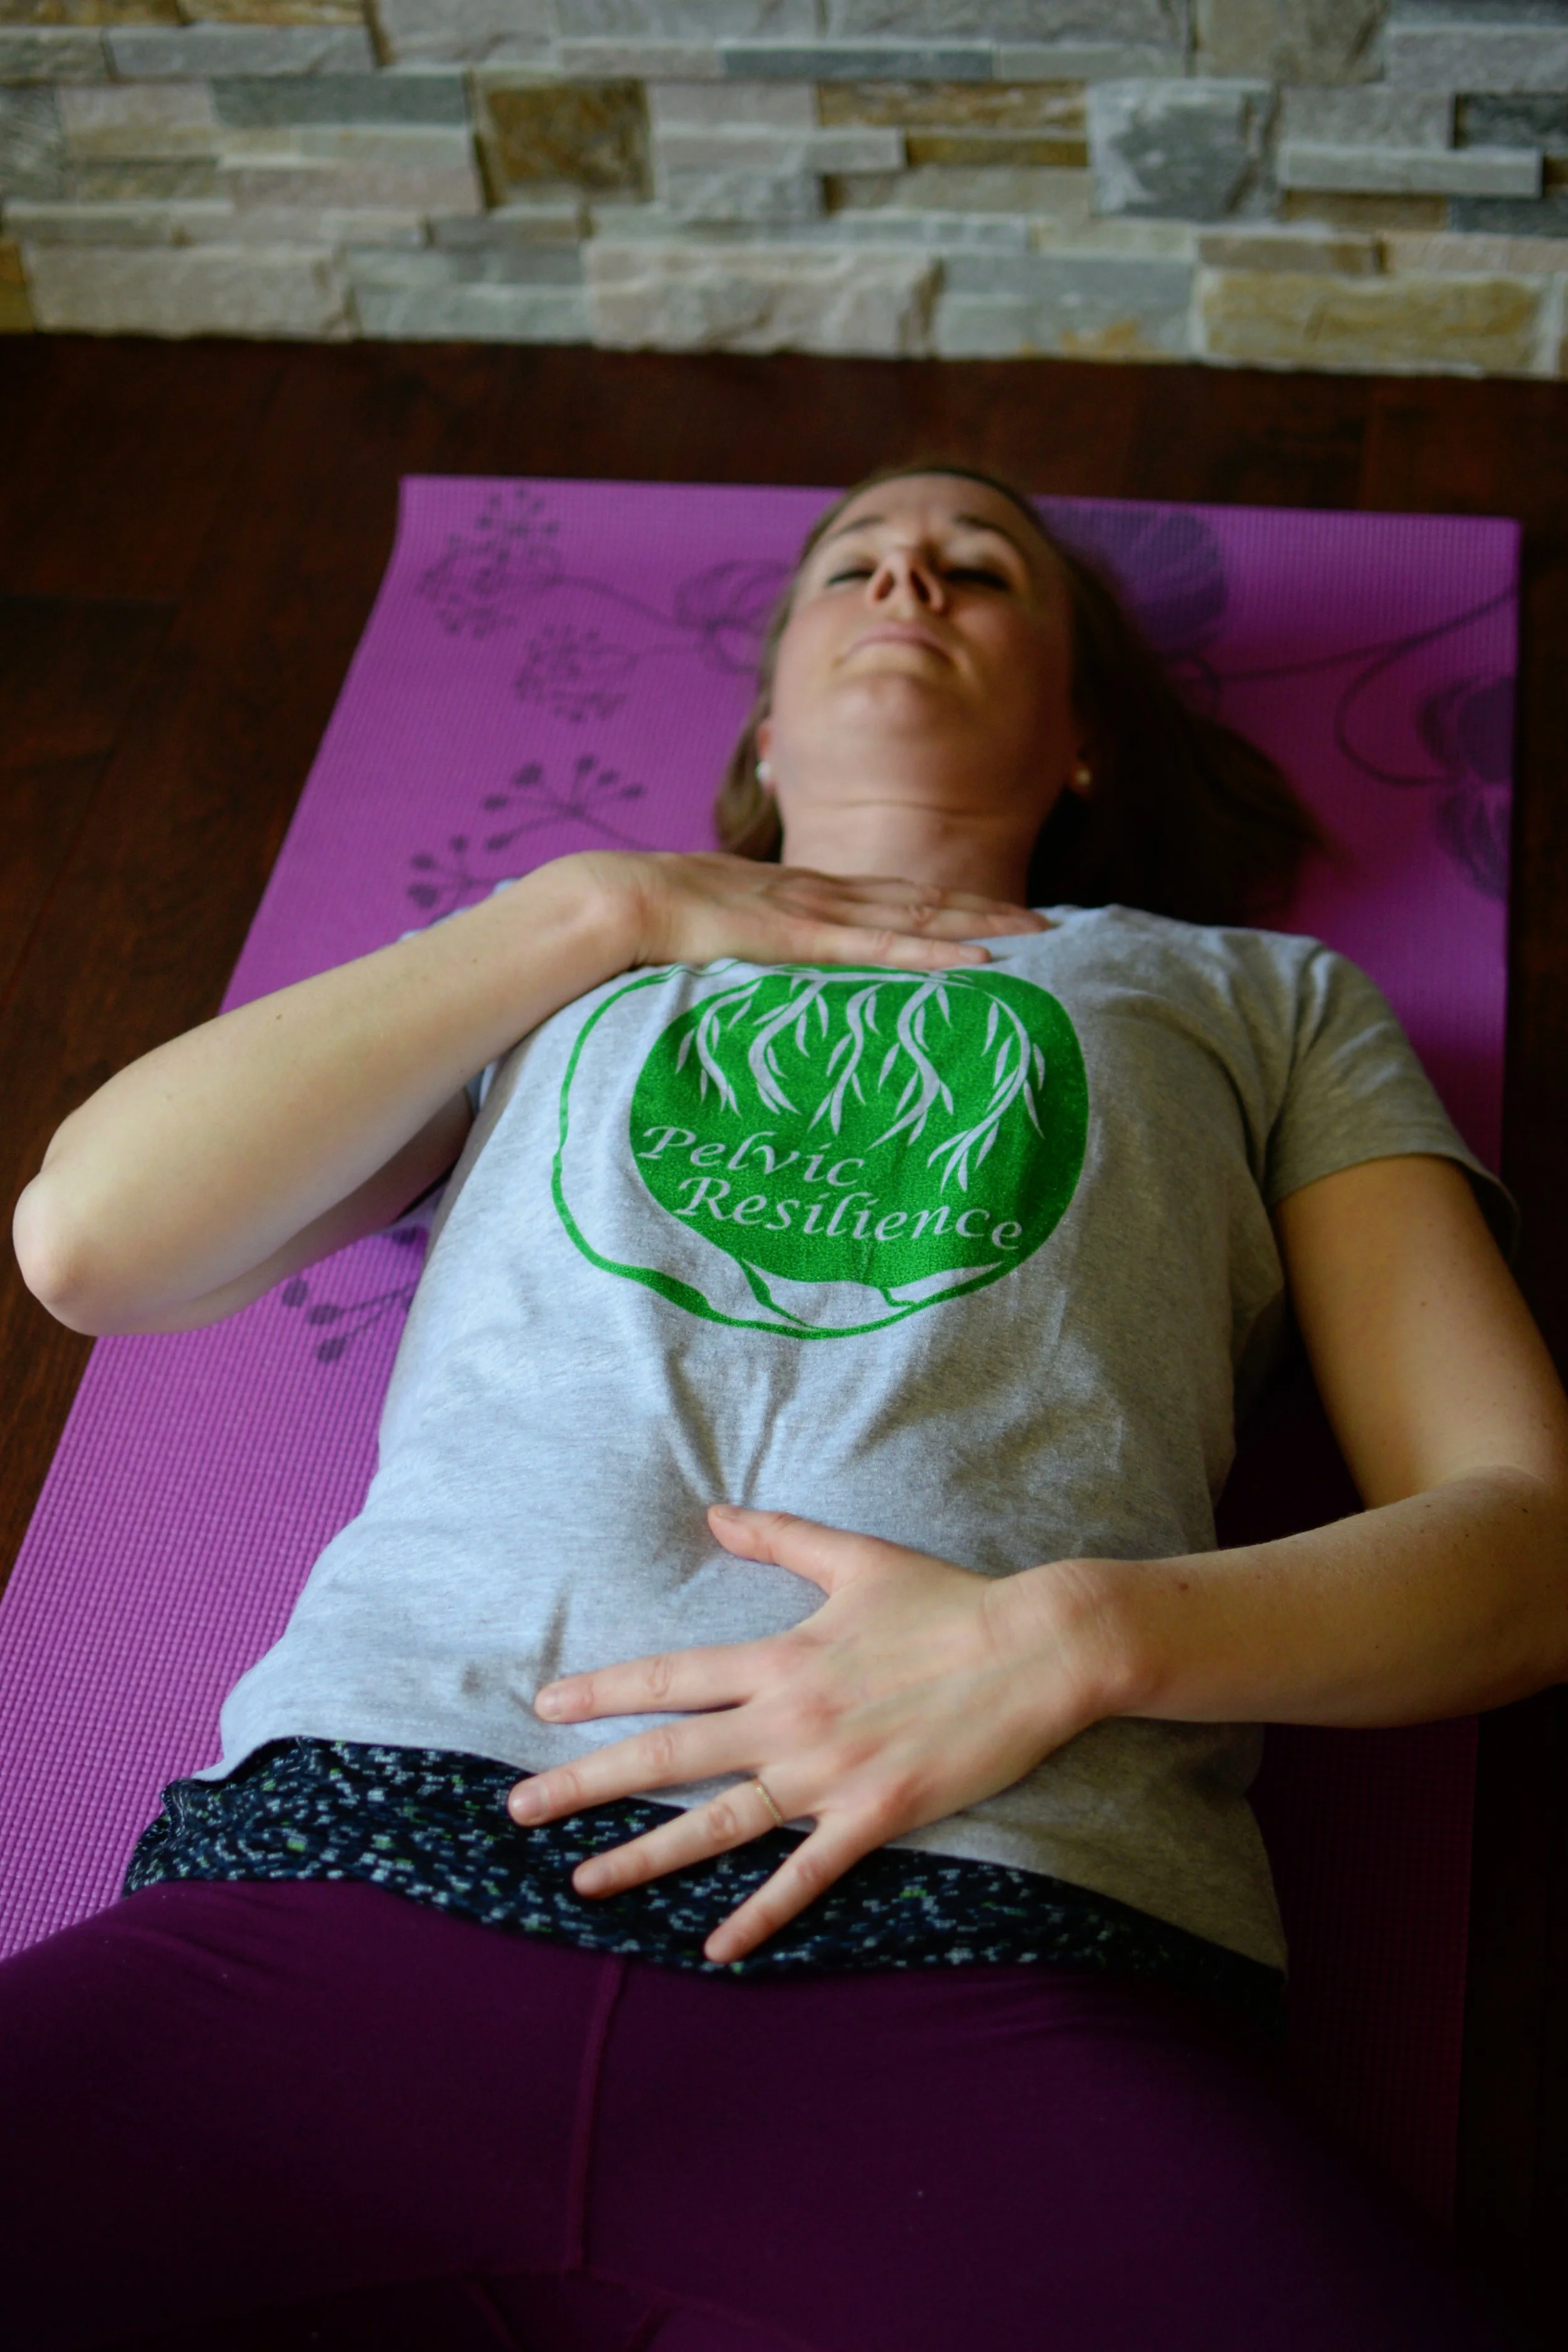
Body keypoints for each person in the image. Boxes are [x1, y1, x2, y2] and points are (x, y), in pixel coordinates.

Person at [6, 462, 1565, 2352]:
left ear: (1079, 734)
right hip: (353, 1883)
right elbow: (95, 1240)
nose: (908, 577)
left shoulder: (1258, 999)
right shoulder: (557, 957)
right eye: (854, 563)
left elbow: (1523, 1548)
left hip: (997, 1949)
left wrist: (1071, 1636)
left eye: (979, 568)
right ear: (759, 731)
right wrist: (598, 903)